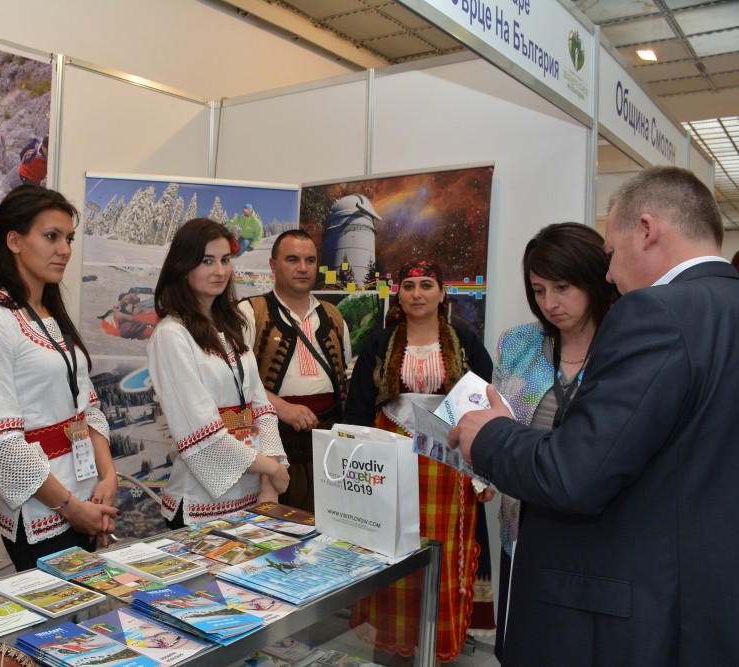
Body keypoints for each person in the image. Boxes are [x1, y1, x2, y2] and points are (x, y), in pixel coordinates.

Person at [451, 166, 739, 666]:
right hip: (703, 594)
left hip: (626, 598)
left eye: (611, 253)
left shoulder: (654, 313)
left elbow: (576, 472)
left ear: (645, 231)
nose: (609, 274)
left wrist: (491, 435)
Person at [0, 185, 119, 571]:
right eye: (51, 236)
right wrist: (70, 507)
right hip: (44, 512)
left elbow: (87, 408)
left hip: (86, 499)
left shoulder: (52, 316)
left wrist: (109, 476)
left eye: (69, 239)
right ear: (14, 241)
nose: (64, 249)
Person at [344, 259, 494, 663]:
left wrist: (484, 472)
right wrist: (356, 462)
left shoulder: (466, 342)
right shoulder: (380, 343)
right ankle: (394, 643)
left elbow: (483, 409)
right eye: (409, 286)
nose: (417, 294)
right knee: (392, 546)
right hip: (390, 457)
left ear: (443, 293)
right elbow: (359, 407)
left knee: (441, 549)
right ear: (399, 295)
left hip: (446, 464)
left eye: (427, 285)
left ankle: (434, 642)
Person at [489, 222, 618, 662]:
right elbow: (498, 419)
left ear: (594, 277)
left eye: (562, 287)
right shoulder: (518, 343)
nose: (550, 303)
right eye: (539, 290)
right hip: (521, 524)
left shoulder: (625, 345)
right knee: (521, 647)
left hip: (596, 534)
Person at [146, 217, 289, 526]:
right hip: (201, 505)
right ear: (183, 267)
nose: (221, 271)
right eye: (207, 261)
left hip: (254, 496)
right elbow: (202, 431)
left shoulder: (233, 324)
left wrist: (268, 483)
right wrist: (271, 468)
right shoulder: (171, 334)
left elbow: (261, 407)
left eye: (225, 260)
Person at [236, 229, 350, 511]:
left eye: (310, 260)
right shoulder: (250, 312)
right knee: (274, 525)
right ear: (273, 265)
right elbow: (235, 381)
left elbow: (344, 376)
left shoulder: (333, 315)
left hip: (326, 452)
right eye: (292, 259)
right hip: (271, 452)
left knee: (325, 525)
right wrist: (282, 408)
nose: (303, 267)